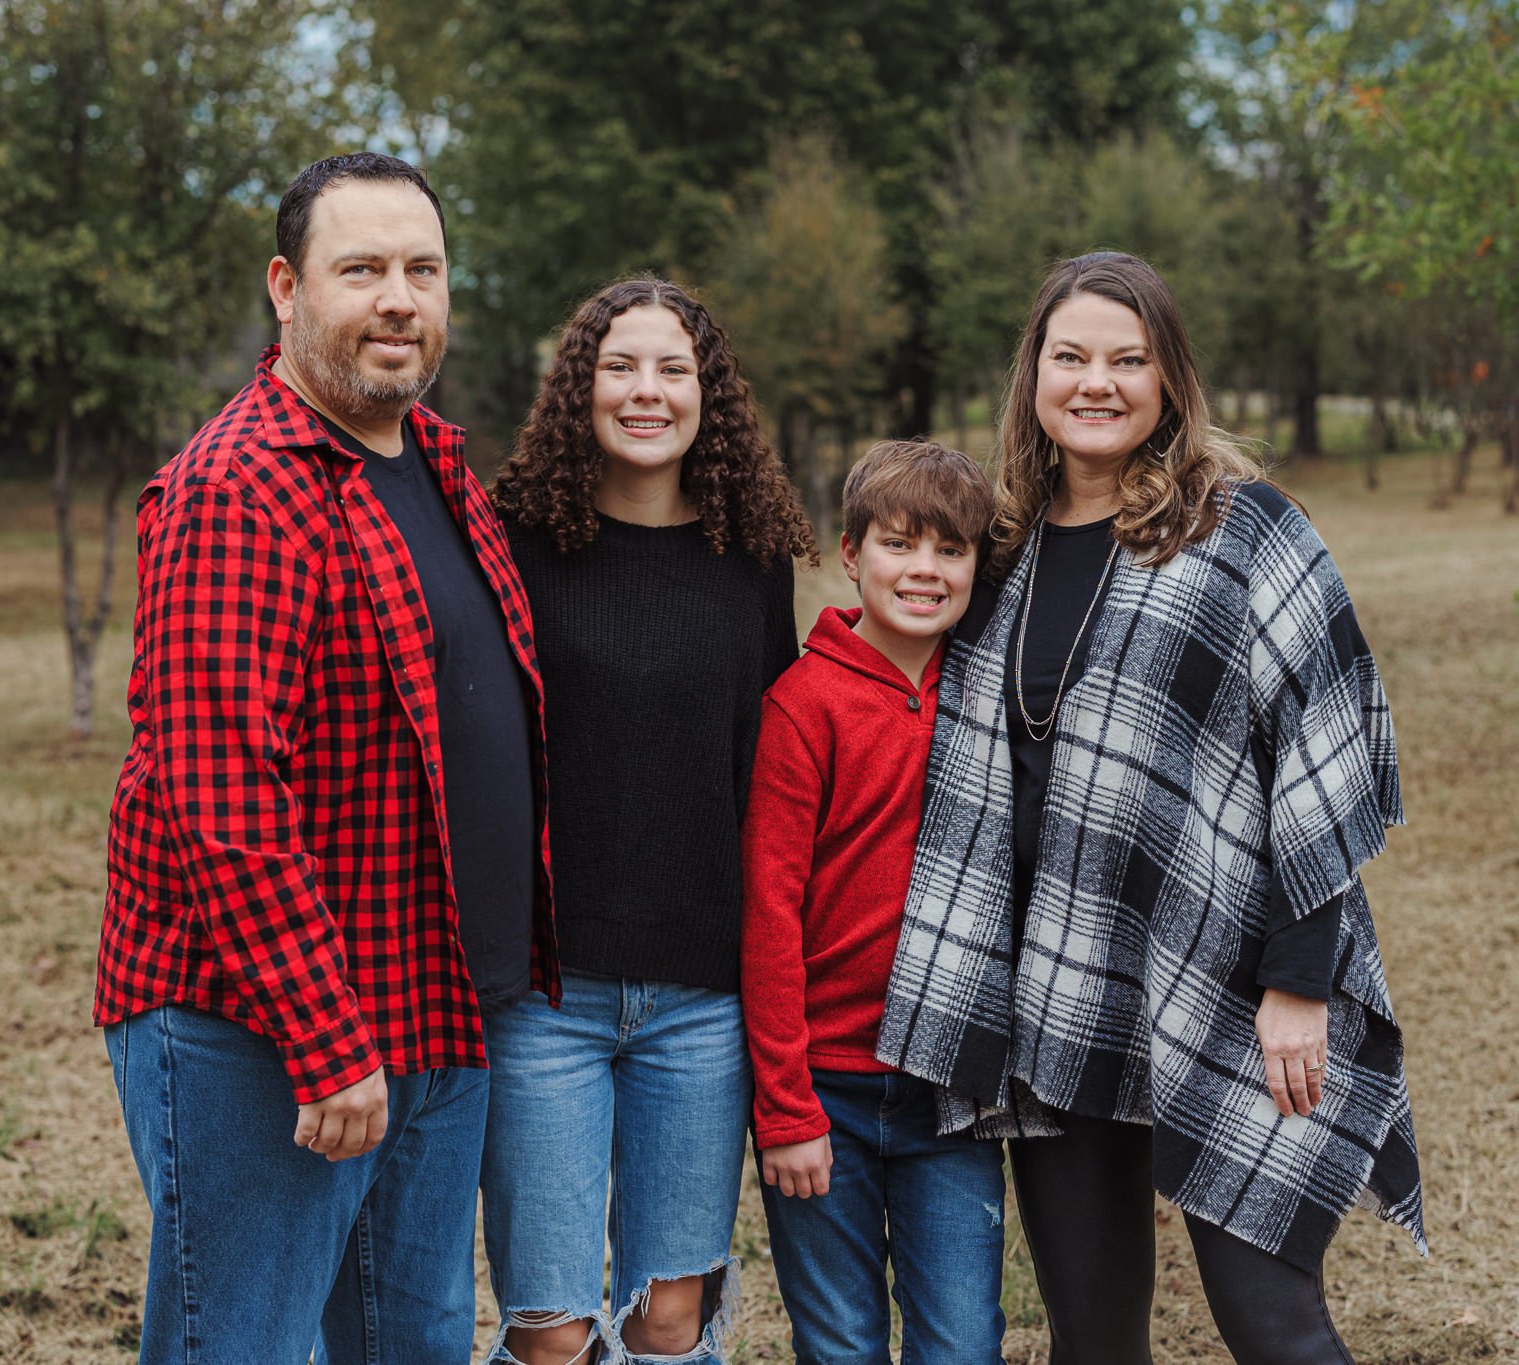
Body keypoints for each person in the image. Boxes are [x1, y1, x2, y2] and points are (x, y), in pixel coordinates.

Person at [877, 252, 1426, 1365]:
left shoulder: (1246, 534)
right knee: (1089, 1335)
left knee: (1270, 1323)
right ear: (1032, 374)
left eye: (1127, 360)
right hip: (1054, 987)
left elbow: (1317, 756)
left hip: (1229, 983)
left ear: (1169, 380)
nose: (1097, 382)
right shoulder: (1003, 550)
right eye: (1069, 356)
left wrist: (1297, 981)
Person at [93, 152, 557, 1365]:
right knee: (236, 1345)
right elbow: (220, 795)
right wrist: (324, 1037)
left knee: (410, 1347)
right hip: (264, 1034)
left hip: (432, 1009)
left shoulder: (435, 464)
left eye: (422, 269)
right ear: (287, 290)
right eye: (362, 270)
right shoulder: (239, 492)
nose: (398, 298)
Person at [484, 276, 817, 1365]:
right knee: (552, 1328)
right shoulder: (514, 544)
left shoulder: (751, 559)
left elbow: (765, 776)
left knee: (669, 1319)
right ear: (577, 388)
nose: (645, 391)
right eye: (618, 366)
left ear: (706, 395)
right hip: (548, 994)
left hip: (700, 1001)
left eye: (672, 369)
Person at [742, 440, 1005, 1365]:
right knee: (841, 1344)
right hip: (826, 1093)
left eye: (951, 550)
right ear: (851, 554)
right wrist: (784, 1108)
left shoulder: (987, 699)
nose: (925, 571)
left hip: (950, 1095)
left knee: (962, 1343)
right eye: (900, 544)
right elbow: (769, 914)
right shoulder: (803, 705)